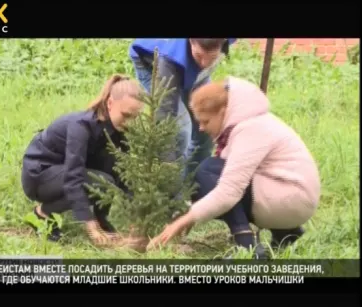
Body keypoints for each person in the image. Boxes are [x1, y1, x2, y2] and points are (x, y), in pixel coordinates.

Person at [147, 77, 321, 259]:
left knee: (206, 173)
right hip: (292, 197)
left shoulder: (249, 128)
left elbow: (228, 191)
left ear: (222, 112)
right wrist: (187, 209)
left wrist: (183, 221)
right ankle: (285, 234)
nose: (200, 128)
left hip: (293, 198)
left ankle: (246, 248)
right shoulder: (247, 121)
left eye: (205, 121)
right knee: (211, 174)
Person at [20, 74, 144, 247]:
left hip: (63, 173)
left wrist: (136, 222)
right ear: (110, 103)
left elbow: (124, 176)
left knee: (109, 172)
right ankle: (42, 214)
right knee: (101, 182)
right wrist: (90, 225)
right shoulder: (81, 127)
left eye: (135, 117)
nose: (130, 123)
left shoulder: (118, 131)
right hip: (39, 176)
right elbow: (73, 178)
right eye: (126, 115)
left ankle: (102, 219)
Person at [129, 38, 237, 176]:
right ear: (191, 41)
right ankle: (176, 189)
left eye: (212, 58)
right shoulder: (170, 61)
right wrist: (167, 166)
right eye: (199, 56)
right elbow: (164, 118)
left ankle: (195, 184)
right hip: (153, 64)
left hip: (193, 72)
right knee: (180, 131)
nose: (204, 64)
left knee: (207, 126)